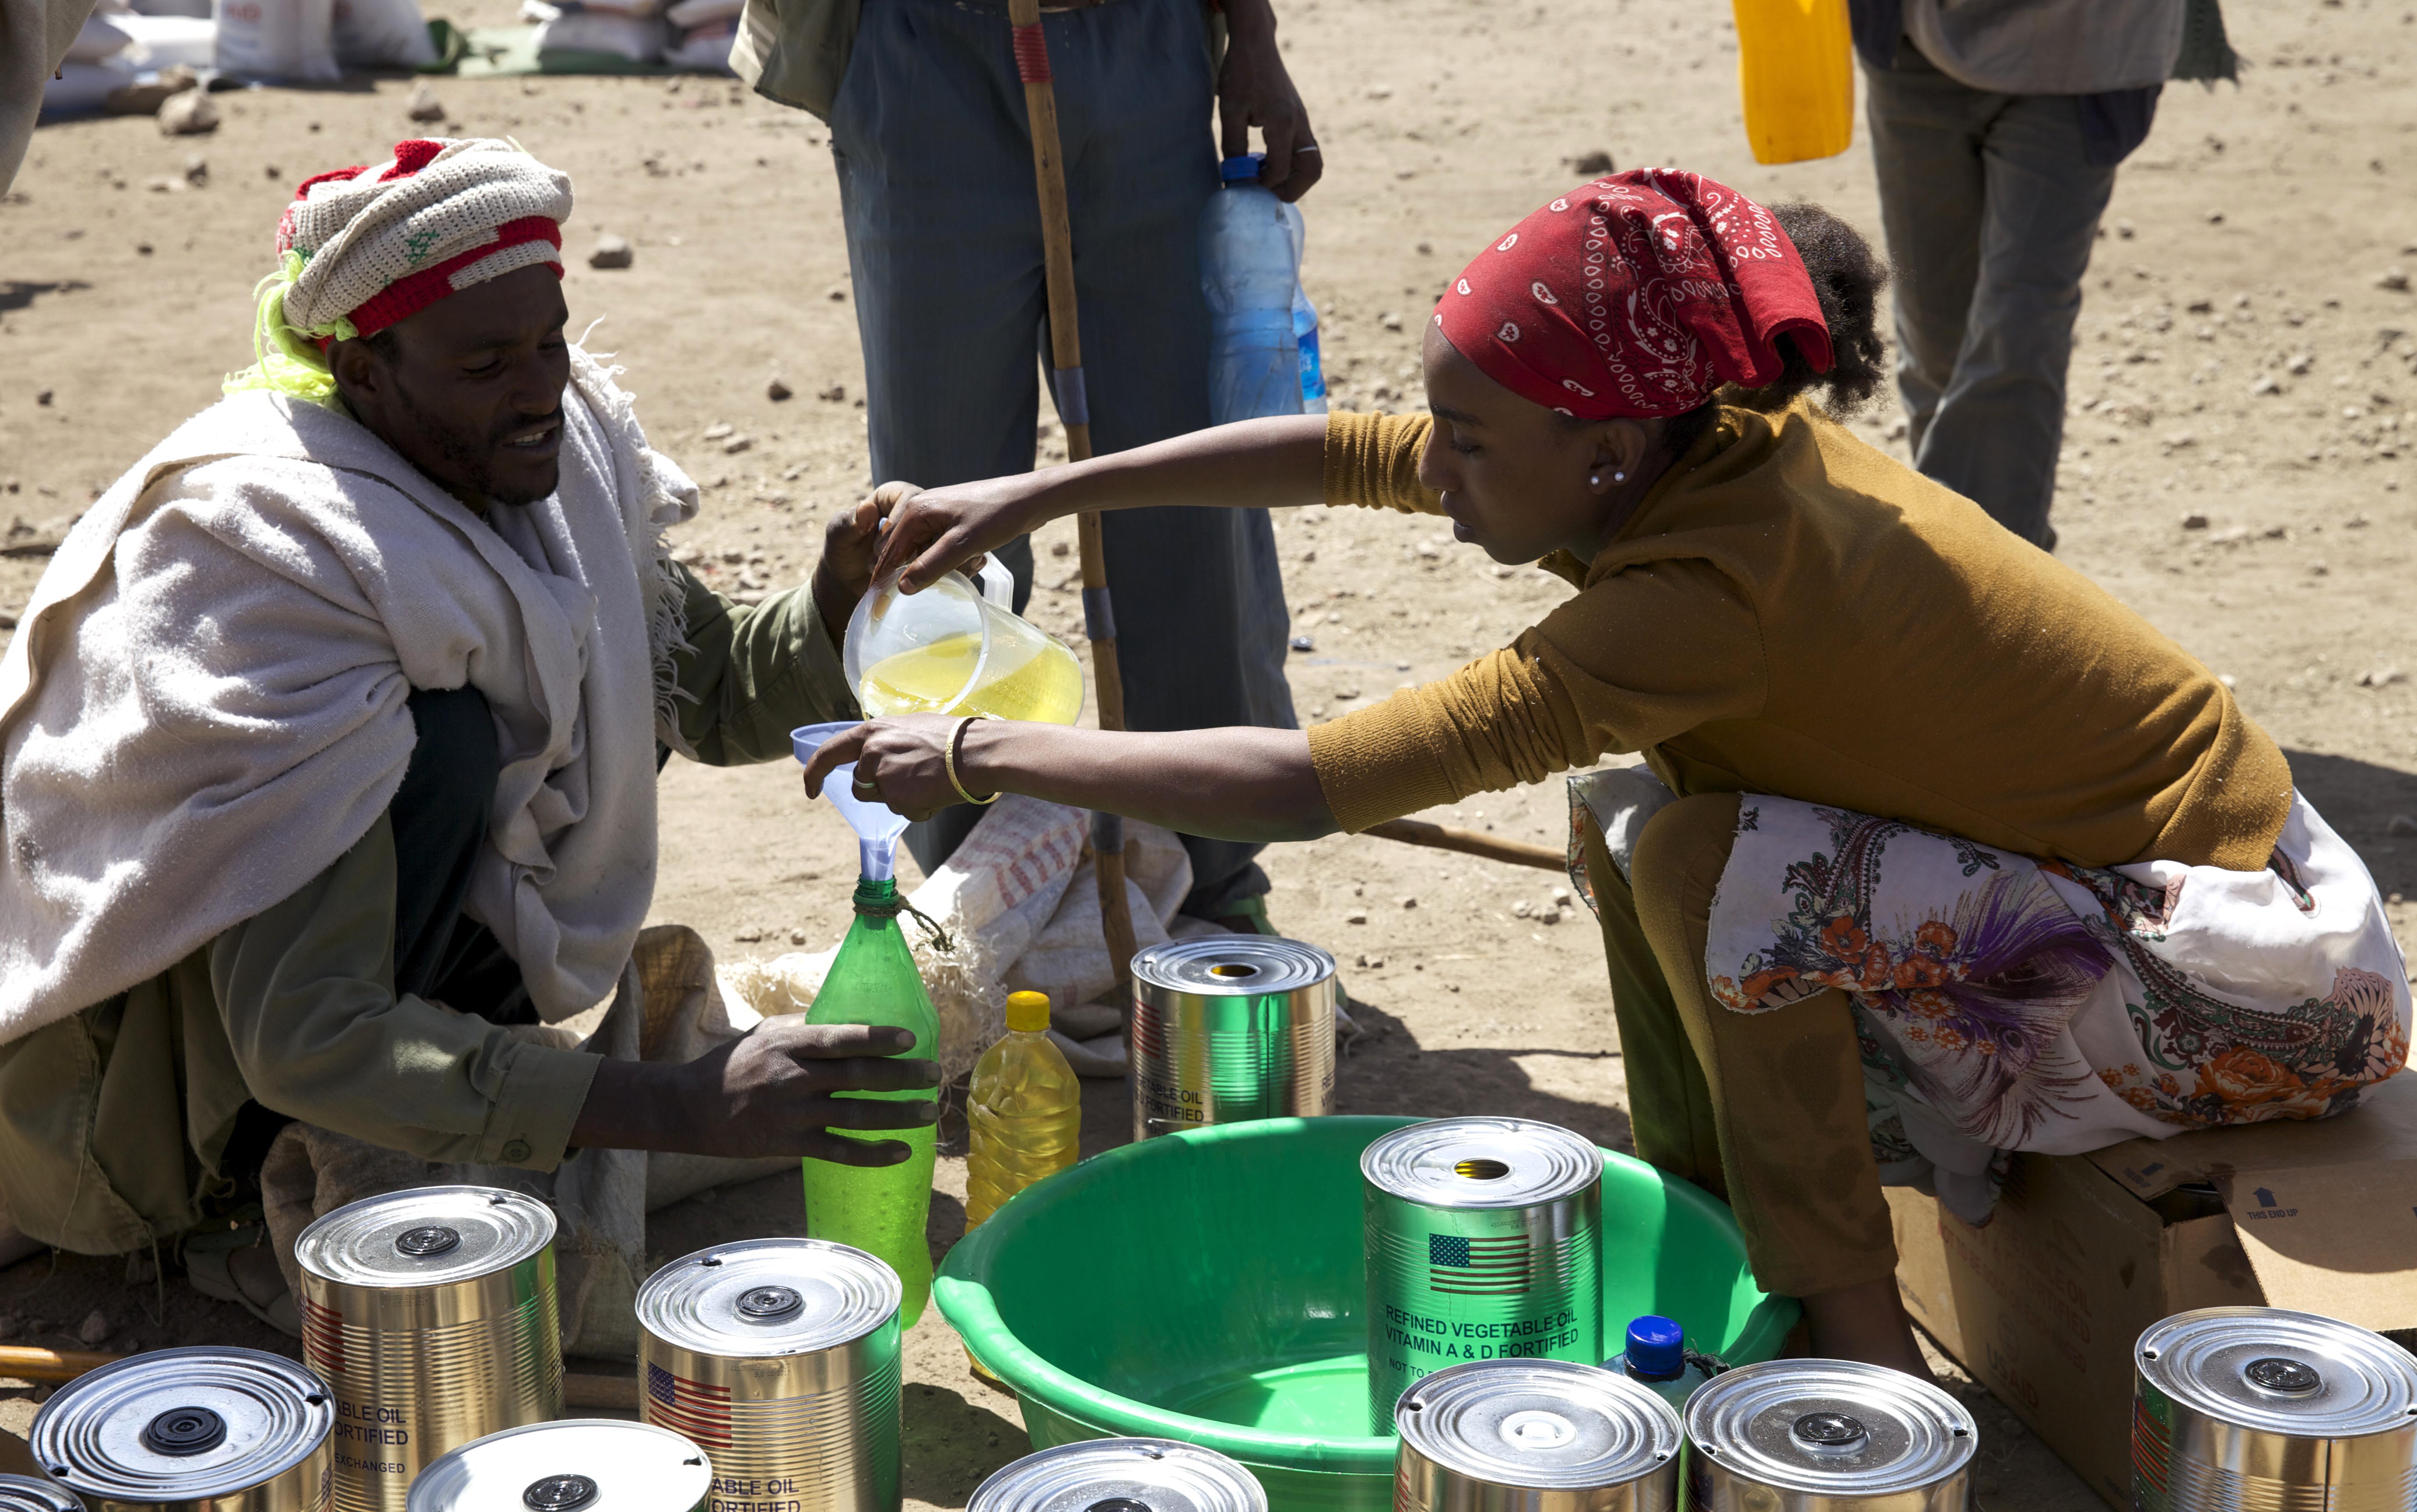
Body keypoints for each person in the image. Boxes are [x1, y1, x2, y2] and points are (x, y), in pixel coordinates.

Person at [805, 169, 2411, 1373]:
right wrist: (1039, 491)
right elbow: (1353, 448)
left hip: (2239, 980)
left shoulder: (1709, 592)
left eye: (1475, 442)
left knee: (1714, 868)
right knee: (1653, 826)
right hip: (2157, 915)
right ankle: (1728, 1242)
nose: (1435, 468)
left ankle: (1854, 1347)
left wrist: (974, 747)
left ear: (1603, 447)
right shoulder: (1690, 450)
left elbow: (1321, 779)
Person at [0, 138, 936, 1329]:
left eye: (549, 340)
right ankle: (248, 1216)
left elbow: (710, 693)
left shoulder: (558, 470)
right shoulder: (278, 577)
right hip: (139, 1121)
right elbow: (306, 1038)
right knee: (441, 743)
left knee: (546, 691)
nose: (542, 387)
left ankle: (457, 1087)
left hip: (348, 1000)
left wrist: (837, 598)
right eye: (486, 363)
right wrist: (672, 1107)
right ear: (360, 370)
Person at [732, 0, 1320, 931]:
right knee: (933, 513)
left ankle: (1211, 876)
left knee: (1181, 488)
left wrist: (1252, 36)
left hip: (1143, 50)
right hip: (921, 54)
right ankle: (978, 889)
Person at [1850, 0, 2232, 550]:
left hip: (2087, 54)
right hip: (1918, 47)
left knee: (2017, 327)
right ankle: (1977, 578)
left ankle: (1970, 580)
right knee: (1935, 335)